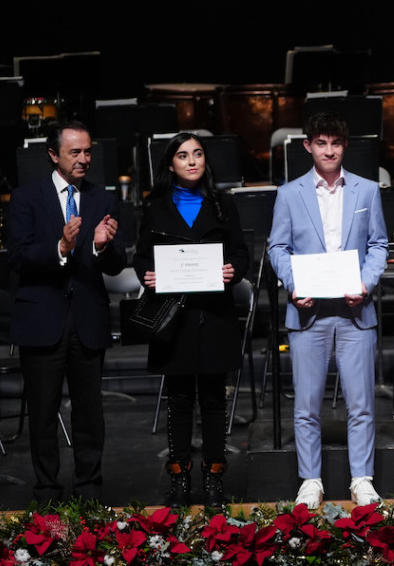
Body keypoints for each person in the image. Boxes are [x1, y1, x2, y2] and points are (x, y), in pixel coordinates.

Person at [268, 112, 388, 508]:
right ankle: (311, 480)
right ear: (308, 146)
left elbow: (379, 246)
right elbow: (278, 248)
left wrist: (365, 283)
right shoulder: (289, 193)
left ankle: (362, 478)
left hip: (355, 311)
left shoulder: (367, 191)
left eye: (335, 143)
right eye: (321, 143)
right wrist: (294, 283)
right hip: (309, 313)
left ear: (345, 146)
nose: (329, 150)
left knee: (361, 403)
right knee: (306, 404)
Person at [7, 120, 124, 503]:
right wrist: (60, 246)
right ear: (54, 155)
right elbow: (19, 257)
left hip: (88, 319)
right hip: (43, 320)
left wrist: (102, 245)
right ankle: (48, 495)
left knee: (90, 415)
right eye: (75, 152)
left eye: (88, 151)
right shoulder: (26, 198)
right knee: (43, 414)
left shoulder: (101, 198)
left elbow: (116, 264)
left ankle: (90, 493)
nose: (84, 159)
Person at [133, 133, 251, 509]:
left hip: (214, 316)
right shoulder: (155, 205)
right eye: (183, 156)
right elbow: (141, 256)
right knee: (180, 399)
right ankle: (180, 478)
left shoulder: (222, 204)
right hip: (174, 318)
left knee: (214, 399)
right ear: (171, 164)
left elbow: (240, 253)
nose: (192, 161)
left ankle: (214, 480)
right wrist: (147, 274)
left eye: (198, 154)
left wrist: (234, 270)